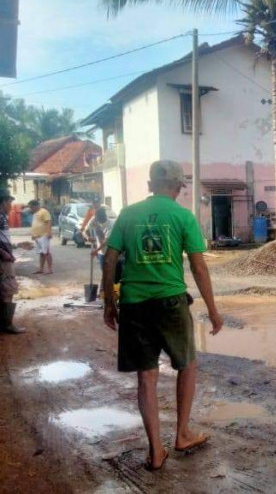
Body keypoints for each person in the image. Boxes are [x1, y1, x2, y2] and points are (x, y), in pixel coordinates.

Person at [103, 160, 223, 471]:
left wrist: (109, 301)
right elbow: (198, 267)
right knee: (187, 365)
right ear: (176, 186)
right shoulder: (183, 216)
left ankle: (156, 451)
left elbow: (110, 256)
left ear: (151, 184)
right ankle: (182, 434)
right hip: (171, 302)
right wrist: (212, 309)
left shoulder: (129, 214)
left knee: (147, 376)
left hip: (134, 304)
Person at [0, 190, 25, 334]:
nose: (11, 205)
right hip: (3, 260)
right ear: (3, 202)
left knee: (4, 290)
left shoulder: (3, 217)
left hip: (5, 257)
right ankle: (7, 324)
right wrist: (4, 253)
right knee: (8, 290)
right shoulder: (0, 217)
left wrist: (15, 246)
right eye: (10, 202)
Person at [83, 207, 115, 294]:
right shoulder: (94, 219)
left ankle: (107, 290)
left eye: (100, 220)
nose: (98, 221)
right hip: (101, 252)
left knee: (110, 271)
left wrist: (95, 251)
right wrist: (88, 237)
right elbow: (85, 231)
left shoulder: (111, 225)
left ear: (104, 217)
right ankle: (104, 290)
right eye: (97, 219)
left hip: (111, 250)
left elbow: (105, 242)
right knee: (103, 270)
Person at [28, 200, 53, 275]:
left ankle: (50, 269)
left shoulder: (44, 211)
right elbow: (35, 224)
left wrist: (48, 233)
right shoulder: (35, 213)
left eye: (31, 207)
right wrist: (33, 234)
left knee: (46, 252)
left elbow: (48, 222)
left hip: (44, 235)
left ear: (36, 206)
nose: (31, 209)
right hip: (37, 236)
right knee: (41, 253)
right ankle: (41, 269)